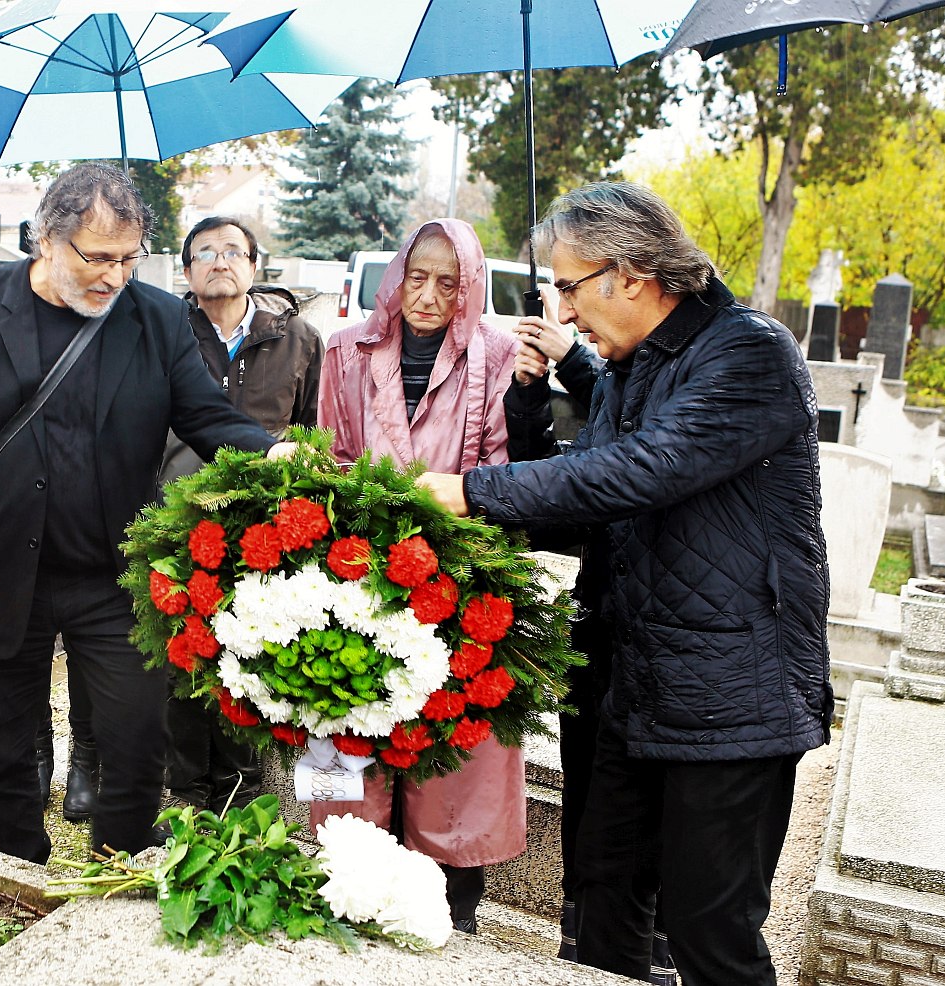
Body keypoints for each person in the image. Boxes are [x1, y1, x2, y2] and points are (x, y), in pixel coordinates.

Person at [428, 181, 831, 986]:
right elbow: (585, 496)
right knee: (603, 910)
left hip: (731, 695)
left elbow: (642, 472)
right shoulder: (635, 368)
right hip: (633, 684)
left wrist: (472, 489)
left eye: (571, 287)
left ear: (633, 276)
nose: (566, 313)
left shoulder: (749, 353)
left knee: (708, 931)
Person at [0, 163, 294, 864]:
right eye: (97, 257)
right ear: (47, 239)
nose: (114, 276)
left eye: (129, 258)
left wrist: (271, 454)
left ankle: (120, 863)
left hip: (114, 576)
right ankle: (21, 869)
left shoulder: (159, 319)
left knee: (136, 745)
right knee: (5, 752)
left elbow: (205, 416)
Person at [314, 217, 524, 935]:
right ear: (396, 276)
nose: (428, 296)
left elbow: (501, 469)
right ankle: (344, 887)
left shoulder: (496, 355)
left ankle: (450, 910)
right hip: (356, 580)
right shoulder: (347, 350)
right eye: (417, 276)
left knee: (453, 753)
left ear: (472, 287)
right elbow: (332, 458)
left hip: (457, 583)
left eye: (449, 282)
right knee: (345, 732)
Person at [507, 305, 676, 986]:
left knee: (651, 800)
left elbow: (634, 448)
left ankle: (655, 941)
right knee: (587, 787)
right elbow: (554, 484)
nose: (569, 310)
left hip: (667, 633)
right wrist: (527, 393)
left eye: (576, 290)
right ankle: (582, 932)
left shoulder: (681, 369)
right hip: (599, 618)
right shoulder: (610, 376)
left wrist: (573, 360)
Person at [159, 215, 324, 816]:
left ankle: (244, 779)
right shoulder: (163, 333)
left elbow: (312, 430)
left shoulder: (299, 340)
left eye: (233, 251)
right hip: (177, 519)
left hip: (263, 528)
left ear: (255, 267)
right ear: (187, 270)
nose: (219, 261)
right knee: (181, 649)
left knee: (250, 648)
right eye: (205, 252)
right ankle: (184, 784)